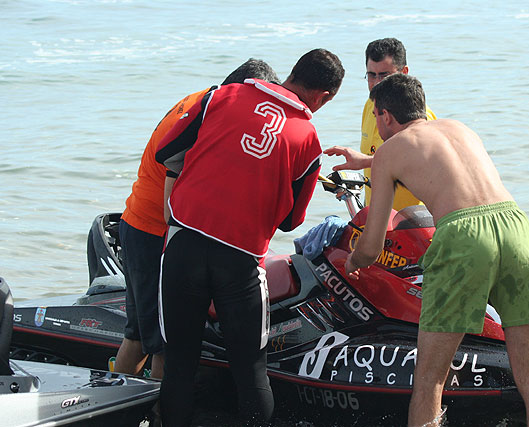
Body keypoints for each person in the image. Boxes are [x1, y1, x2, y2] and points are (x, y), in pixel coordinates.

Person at [343, 73, 529, 427]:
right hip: (515, 226)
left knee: (430, 380)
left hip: (463, 236)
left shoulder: (387, 154)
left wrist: (354, 262)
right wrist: (365, 162)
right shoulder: (460, 128)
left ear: (384, 116)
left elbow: (372, 245)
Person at [155, 48, 344, 426]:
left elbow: (167, 152)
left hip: (184, 243)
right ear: (323, 96)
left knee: (179, 361)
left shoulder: (219, 96)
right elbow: (292, 220)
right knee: (251, 371)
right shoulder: (307, 138)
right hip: (240, 260)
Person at [114, 59, 281, 380]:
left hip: (135, 223)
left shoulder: (198, 102)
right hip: (159, 234)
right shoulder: (211, 119)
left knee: (138, 336)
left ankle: (117, 410)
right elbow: (177, 198)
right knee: (168, 343)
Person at [325, 37, 437, 211]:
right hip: (377, 215)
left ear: (404, 73)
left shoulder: (420, 117)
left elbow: (420, 162)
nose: (377, 83)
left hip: (413, 220)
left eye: (384, 75)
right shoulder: (370, 105)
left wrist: (365, 161)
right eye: (371, 75)